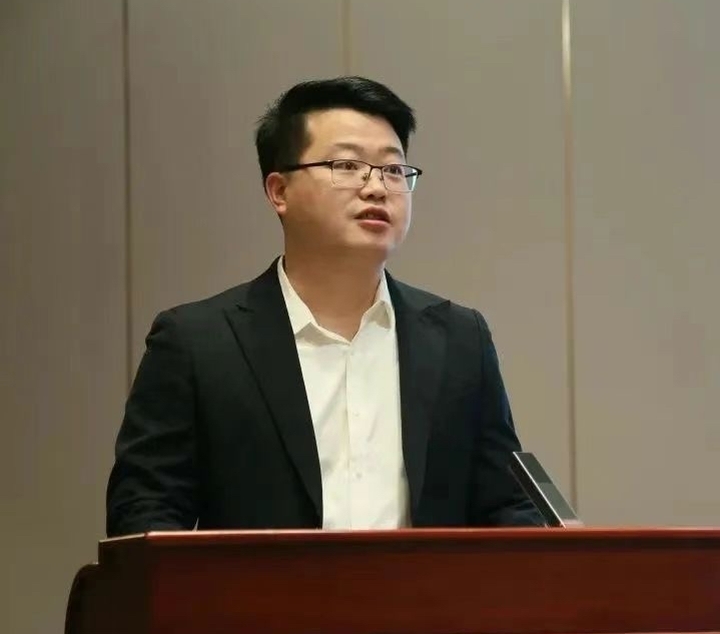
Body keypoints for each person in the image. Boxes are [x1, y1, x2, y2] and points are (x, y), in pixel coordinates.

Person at [106, 76, 543, 536]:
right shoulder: (198, 343)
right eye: (347, 165)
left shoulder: (460, 339)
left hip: (423, 587)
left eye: (394, 170)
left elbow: (506, 504)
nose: (377, 188)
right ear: (279, 191)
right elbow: (145, 513)